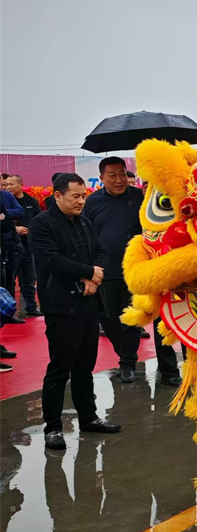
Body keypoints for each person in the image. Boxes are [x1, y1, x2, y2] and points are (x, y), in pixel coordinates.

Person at [28, 173, 121, 450]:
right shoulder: (41, 224)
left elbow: (101, 250)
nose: (81, 201)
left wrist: (95, 274)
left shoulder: (84, 222)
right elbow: (51, 260)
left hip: (89, 304)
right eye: (75, 196)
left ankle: (88, 417)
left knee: (85, 367)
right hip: (61, 306)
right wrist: (87, 272)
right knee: (59, 369)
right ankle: (53, 428)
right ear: (58, 195)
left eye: (84, 196)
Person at [83, 156, 182, 386]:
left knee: (140, 318)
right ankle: (125, 355)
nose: (119, 180)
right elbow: (86, 234)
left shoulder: (141, 198)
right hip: (106, 270)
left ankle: (133, 364)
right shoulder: (93, 202)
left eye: (122, 174)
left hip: (139, 270)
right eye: (112, 176)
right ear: (102, 178)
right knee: (110, 319)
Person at [6, 174, 42, 316]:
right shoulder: (5, 202)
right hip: (11, 246)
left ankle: (31, 307)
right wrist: (15, 229)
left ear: (21, 185)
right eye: (6, 184)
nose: (8, 187)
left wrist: (30, 231)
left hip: (28, 246)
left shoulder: (32, 201)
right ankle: (9, 310)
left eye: (11, 184)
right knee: (10, 279)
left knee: (29, 278)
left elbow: (38, 221)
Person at [0, 184, 25, 323]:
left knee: (9, 278)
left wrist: (5, 214)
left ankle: (9, 313)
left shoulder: (6, 196)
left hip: (8, 244)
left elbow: (19, 213)